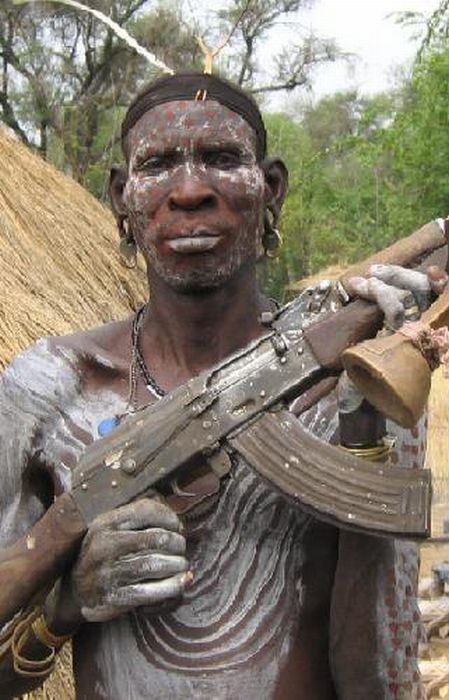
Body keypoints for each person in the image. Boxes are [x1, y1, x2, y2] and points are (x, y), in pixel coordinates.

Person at [0, 71, 445, 700]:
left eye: (220, 159)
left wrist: (364, 434)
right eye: (159, 165)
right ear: (121, 196)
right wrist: (64, 605)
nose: (190, 191)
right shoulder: (49, 388)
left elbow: (380, 682)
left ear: (271, 186)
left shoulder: (354, 377)